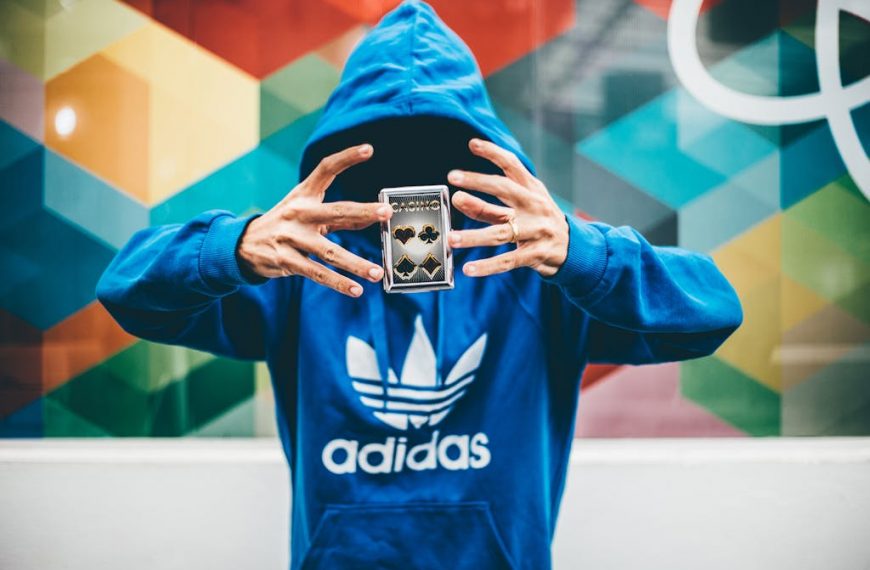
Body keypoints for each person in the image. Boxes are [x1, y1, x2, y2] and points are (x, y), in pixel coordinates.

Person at [97, 1, 743, 568]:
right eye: (383, 159)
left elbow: (713, 309)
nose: (410, 190)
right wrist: (235, 248)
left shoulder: (536, 267)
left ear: (478, 157)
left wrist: (582, 254)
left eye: (435, 159)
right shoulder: (301, 268)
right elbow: (126, 288)